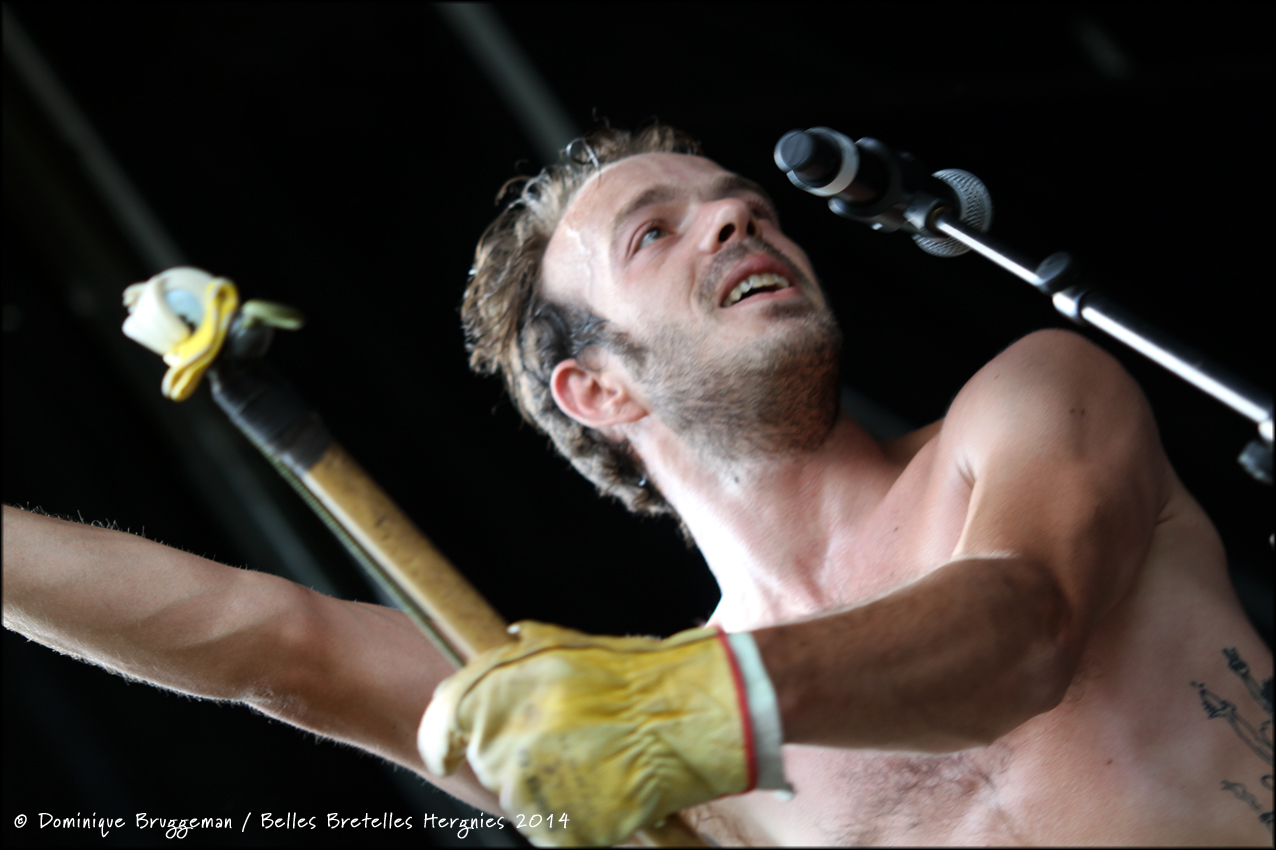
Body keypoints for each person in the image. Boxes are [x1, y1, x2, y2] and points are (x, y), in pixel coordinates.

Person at [4, 123, 1271, 847]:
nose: (737, 222)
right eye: (654, 232)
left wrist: (692, 707)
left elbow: (1023, 624)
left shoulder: (1032, 398)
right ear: (596, 390)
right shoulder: (646, 734)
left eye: (745, 208)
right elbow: (270, 642)